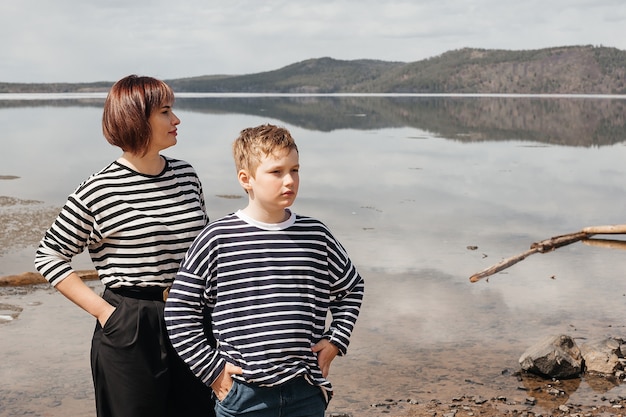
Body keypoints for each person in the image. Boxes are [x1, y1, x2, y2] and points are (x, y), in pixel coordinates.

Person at [34, 75, 214, 417]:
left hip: (191, 316)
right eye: (165, 111)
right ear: (136, 118)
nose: (176, 119)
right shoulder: (99, 190)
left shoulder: (187, 175)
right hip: (130, 324)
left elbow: (203, 252)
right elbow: (49, 254)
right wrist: (104, 312)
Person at [164, 123, 365, 417]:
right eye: (276, 172)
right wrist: (212, 370)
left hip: (306, 388)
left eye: (295, 170)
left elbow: (351, 288)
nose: (290, 181)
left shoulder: (315, 235)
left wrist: (336, 340)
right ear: (246, 179)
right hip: (243, 394)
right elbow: (180, 311)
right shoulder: (217, 239)